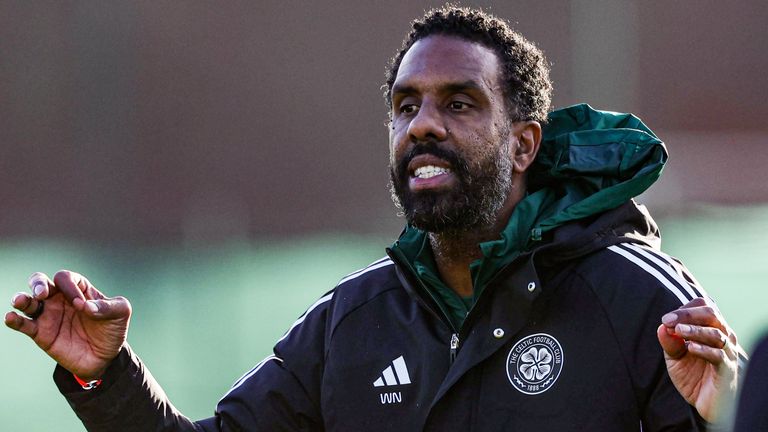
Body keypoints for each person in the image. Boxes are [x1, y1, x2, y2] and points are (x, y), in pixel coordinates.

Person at [5, 6, 743, 431]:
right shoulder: (349, 322)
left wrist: (726, 419)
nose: (423, 124)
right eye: (405, 105)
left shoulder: (641, 300)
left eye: (459, 103)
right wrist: (105, 376)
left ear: (523, 144)